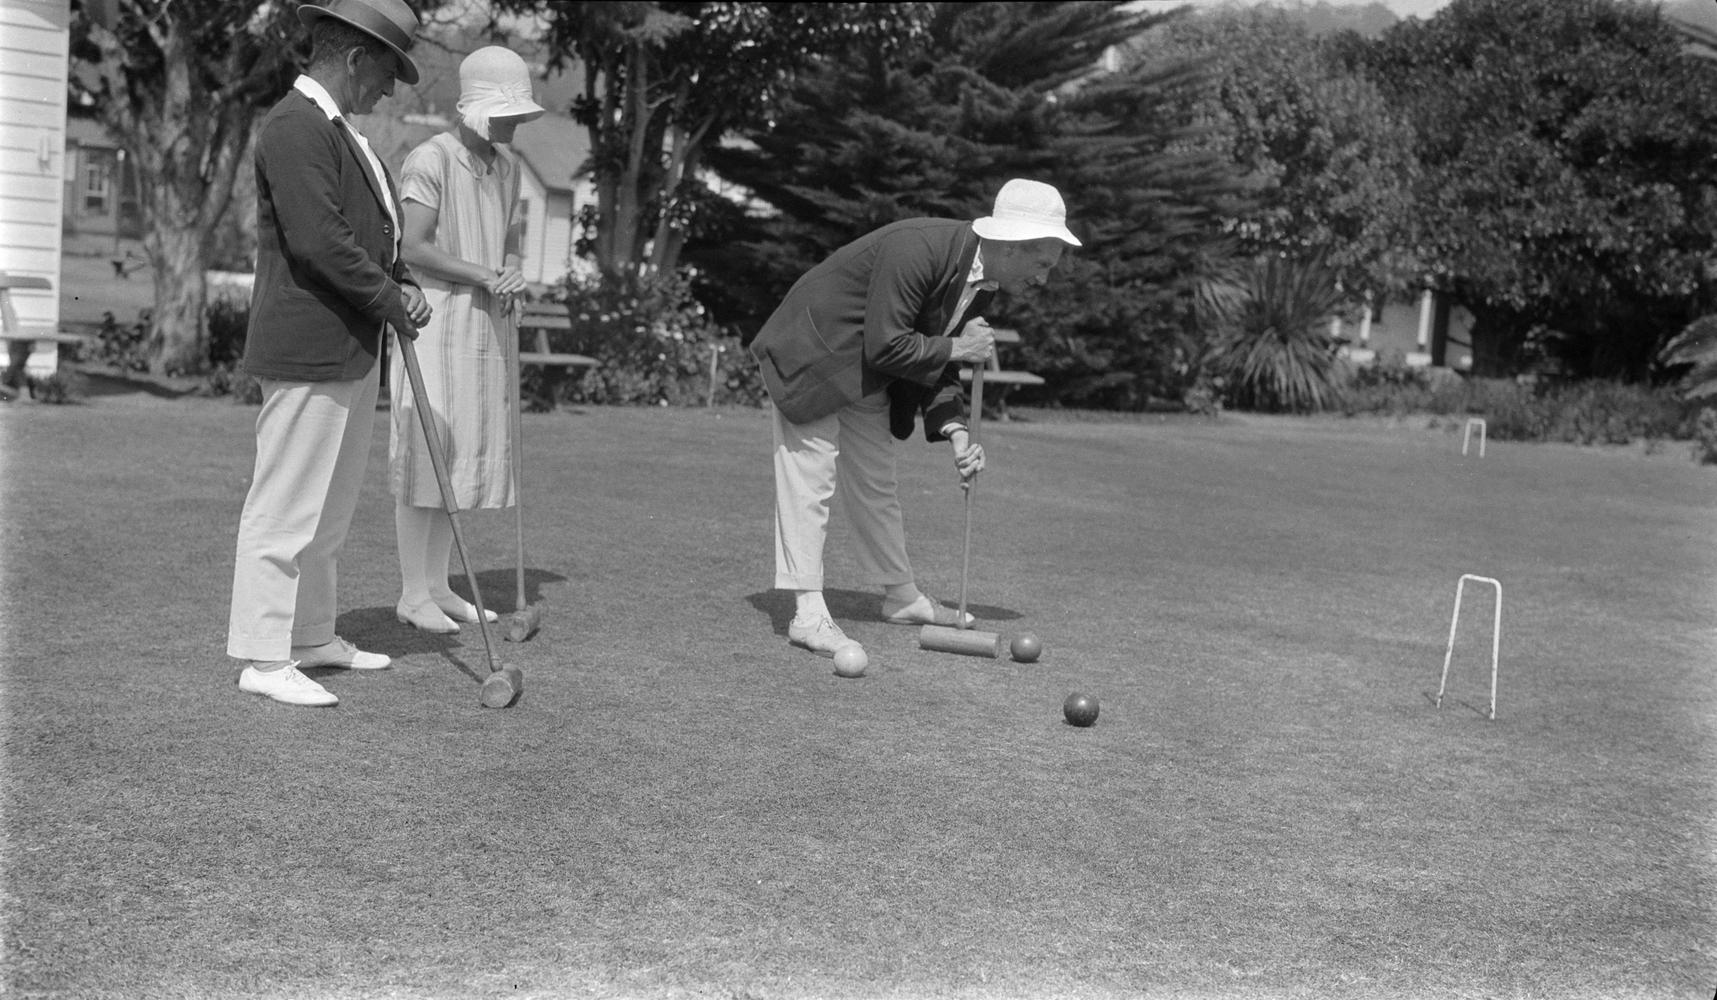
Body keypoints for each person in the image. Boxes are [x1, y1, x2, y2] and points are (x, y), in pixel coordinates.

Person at [746, 178, 1080, 657]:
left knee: (876, 480)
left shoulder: (982, 281)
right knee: (810, 478)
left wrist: (957, 431)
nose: (1044, 279)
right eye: (1043, 264)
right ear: (1012, 245)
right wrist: (960, 347)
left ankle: (901, 598)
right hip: (813, 354)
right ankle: (808, 614)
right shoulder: (916, 248)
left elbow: (937, 358)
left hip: (866, 370)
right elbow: (889, 343)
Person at [226, 0, 430, 707]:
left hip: (350, 346)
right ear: (354, 58)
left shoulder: (343, 132)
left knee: (328, 510)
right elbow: (319, 241)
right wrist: (390, 297)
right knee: (284, 507)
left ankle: (310, 636)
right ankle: (262, 656)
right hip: (308, 347)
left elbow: (373, 236)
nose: (391, 88)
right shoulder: (295, 126)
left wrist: (402, 280)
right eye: (388, 71)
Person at [388, 46, 545, 634]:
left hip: (484, 328)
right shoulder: (430, 159)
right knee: (426, 456)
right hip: (432, 323)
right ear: (477, 108)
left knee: (454, 462)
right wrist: (484, 274)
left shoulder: (507, 167)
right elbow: (412, 248)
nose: (515, 122)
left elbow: (508, 241)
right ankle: (412, 594)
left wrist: (511, 272)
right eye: (507, 113)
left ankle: (438, 586)